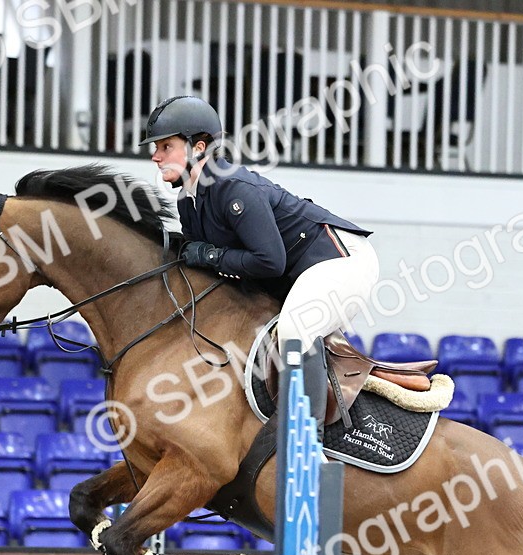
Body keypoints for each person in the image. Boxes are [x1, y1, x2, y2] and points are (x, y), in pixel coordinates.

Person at [142, 95, 378, 419]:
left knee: (295, 331)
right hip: (297, 274)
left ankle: (308, 445)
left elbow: (270, 261)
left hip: (341, 260)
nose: (155, 156)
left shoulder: (234, 187)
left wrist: (209, 253)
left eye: (165, 146)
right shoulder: (188, 200)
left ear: (199, 147)